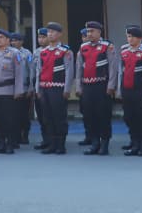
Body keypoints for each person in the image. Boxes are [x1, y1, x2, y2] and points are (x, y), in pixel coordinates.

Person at [77, 21, 118, 155]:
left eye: (92, 31)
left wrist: (111, 86)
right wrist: (79, 87)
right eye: (88, 32)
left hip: (102, 86)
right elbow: (79, 69)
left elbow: (113, 68)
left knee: (103, 115)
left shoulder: (107, 46)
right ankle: (94, 143)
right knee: (89, 115)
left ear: (99, 32)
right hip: (87, 87)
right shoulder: (83, 47)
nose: (89, 34)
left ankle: (104, 144)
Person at [116, 25, 142, 155]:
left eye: (133, 36)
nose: (130, 39)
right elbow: (120, 72)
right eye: (128, 36)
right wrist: (119, 90)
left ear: (140, 38)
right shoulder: (123, 50)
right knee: (129, 117)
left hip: (141, 90)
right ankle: (134, 143)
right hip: (127, 90)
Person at [36, 22, 74, 154]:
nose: (50, 34)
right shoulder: (43, 52)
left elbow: (69, 71)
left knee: (59, 117)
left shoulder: (65, 51)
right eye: (48, 32)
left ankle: (61, 144)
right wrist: (38, 89)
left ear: (59, 34)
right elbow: (39, 72)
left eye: (53, 32)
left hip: (58, 88)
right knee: (47, 117)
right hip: (45, 88)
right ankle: (52, 144)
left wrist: (67, 89)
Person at [0, 29, 27, 154]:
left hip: (8, 91)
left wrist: (19, 90)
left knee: (9, 119)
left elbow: (20, 73)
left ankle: (11, 143)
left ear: (8, 40)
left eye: (1, 37)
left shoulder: (14, 53)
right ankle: (0, 144)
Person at [9, 32, 35, 146]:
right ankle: (16, 136)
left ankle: (25, 135)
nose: (13, 42)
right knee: (13, 114)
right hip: (11, 88)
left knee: (24, 114)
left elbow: (31, 71)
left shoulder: (27, 53)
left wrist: (30, 88)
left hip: (24, 88)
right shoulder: (8, 52)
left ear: (21, 42)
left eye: (16, 40)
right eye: (12, 40)